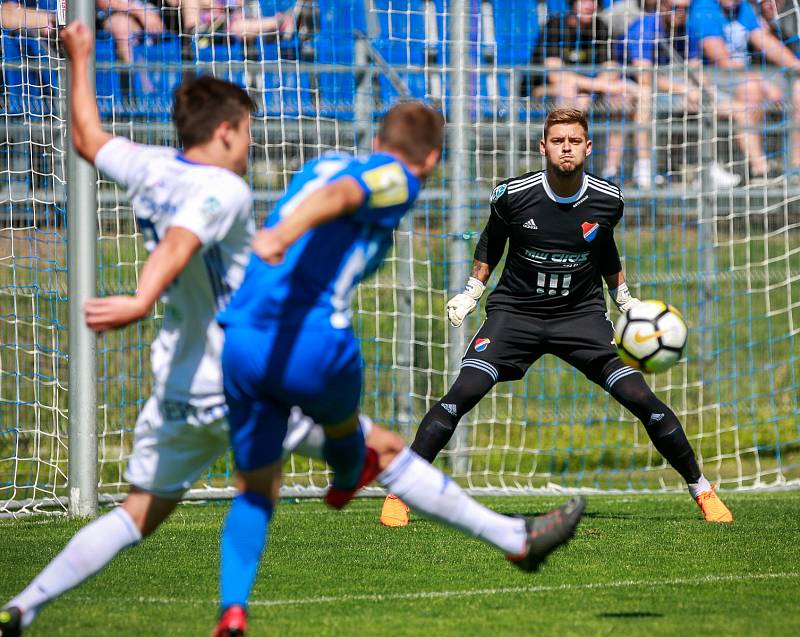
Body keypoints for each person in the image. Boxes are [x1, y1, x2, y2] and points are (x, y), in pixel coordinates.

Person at [210, 101, 585, 637]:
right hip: (315, 344)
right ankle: (350, 472)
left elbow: (333, 189)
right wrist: (280, 236)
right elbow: (347, 196)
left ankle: (232, 607)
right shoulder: (398, 177)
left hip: (241, 343)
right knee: (375, 449)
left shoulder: (323, 163)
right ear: (431, 156)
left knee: (256, 485)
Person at [0, 21, 257, 637]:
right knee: (370, 448)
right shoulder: (225, 187)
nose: (249, 144)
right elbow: (182, 239)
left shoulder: (149, 166)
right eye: (247, 132)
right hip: (239, 376)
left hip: (175, 377)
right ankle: (512, 535)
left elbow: (87, 137)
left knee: (139, 514)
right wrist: (141, 297)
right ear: (225, 132)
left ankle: (23, 605)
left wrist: (80, 56)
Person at [380, 108, 734, 529]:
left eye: (574, 140)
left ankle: (703, 490)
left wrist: (624, 299)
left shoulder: (608, 198)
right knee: (464, 391)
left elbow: (604, 249)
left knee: (641, 399)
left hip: (581, 317)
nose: (566, 147)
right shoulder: (512, 195)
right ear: (543, 146)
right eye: (558, 140)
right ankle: (400, 493)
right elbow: (492, 242)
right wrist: (473, 291)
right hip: (515, 314)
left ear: (588, 147)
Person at [621, 0, 741, 187]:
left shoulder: (687, 29)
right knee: (644, 98)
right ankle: (643, 169)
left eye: (686, 8)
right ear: (662, 6)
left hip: (676, 89)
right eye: (676, 7)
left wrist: (705, 91)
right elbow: (644, 78)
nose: (681, 13)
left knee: (729, 105)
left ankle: (708, 167)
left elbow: (696, 70)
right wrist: (686, 90)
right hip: (634, 87)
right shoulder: (643, 28)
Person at [538, 0, 653, 189]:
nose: (589, 5)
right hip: (545, 89)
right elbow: (555, 75)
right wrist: (599, 84)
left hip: (589, 89)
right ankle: (565, 170)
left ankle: (612, 172)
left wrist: (600, 85)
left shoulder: (600, 27)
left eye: (593, 2)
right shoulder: (555, 26)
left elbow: (611, 68)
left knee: (621, 98)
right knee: (572, 95)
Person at [688, 0, 800, 182]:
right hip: (715, 77)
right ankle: (759, 168)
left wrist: (796, 65)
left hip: (746, 76)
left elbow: (765, 42)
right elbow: (721, 60)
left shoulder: (743, 9)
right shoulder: (705, 9)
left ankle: (795, 166)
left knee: (798, 88)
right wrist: (762, 82)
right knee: (751, 89)